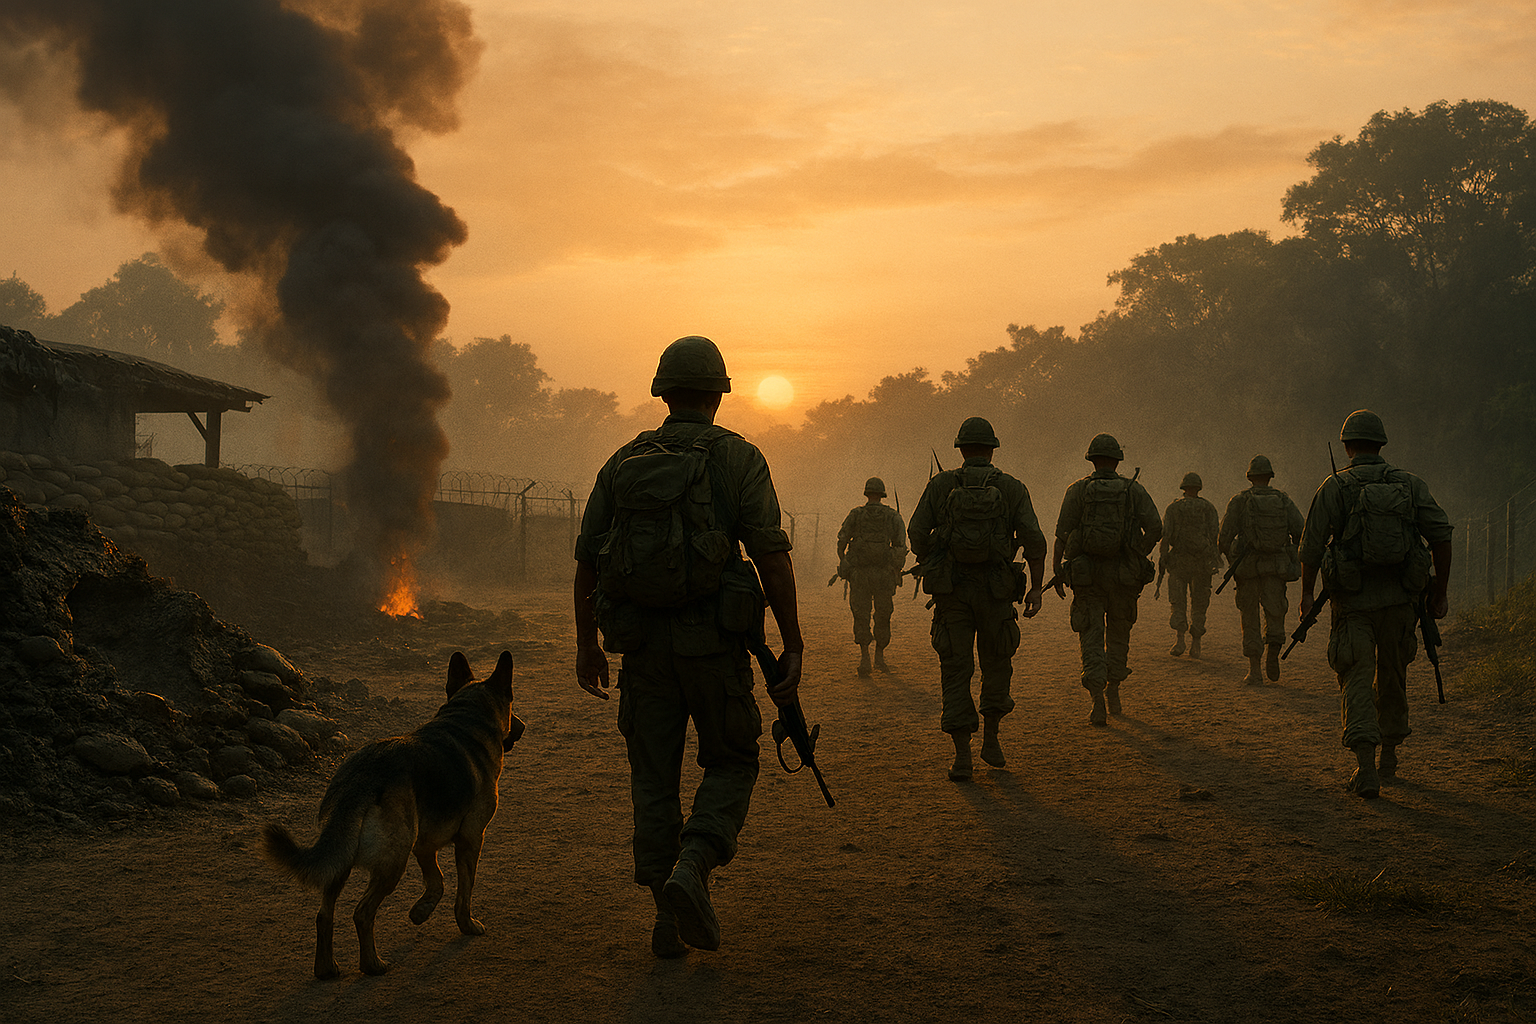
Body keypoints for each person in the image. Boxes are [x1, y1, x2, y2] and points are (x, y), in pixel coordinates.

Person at [573, 335, 804, 955]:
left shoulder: (623, 460)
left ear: (663, 393)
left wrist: (585, 646)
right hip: (713, 647)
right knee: (733, 759)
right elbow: (771, 557)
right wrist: (794, 645)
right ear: (718, 395)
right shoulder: (739, 458)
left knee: (653, 778)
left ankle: (664, 917)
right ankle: (693, 865)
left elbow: (587, 562)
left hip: (642, 648)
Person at [1298, 409, 1452, 799]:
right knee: (1394, 673)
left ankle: (1365, 767)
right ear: (1381, 445)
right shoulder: (1410, 485)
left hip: (1353, 603)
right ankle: (1390, 755)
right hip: (1402, 600)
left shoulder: (1334, 487)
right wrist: (1440, 592)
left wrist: (1305, 596)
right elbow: (1441, 536)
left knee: (1356, 675)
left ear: (1347, 446)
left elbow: (1312, 547)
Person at [907, 416, 1047, 780]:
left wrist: (934, 559)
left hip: (952, 592)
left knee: (955, 668)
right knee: (997, 664)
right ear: (992, 449)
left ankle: (961, 757)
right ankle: (993, 740)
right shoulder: (1012, 487)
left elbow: (916, 533)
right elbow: (1034, 539)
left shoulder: (940, 485)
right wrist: (1034, 587)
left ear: (961, 449)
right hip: (997, 592)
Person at [1051, 433, 1161, 725]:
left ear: (1092, 459)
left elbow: (1062, 533)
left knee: (1090, 634)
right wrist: (1137, 553)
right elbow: (1155, 528)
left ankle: (1097, 699)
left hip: (1088, 575)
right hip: (1124, 575)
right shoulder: (1133, 490)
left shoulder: (1077, 490)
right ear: (1116, 461)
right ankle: (1114, 689)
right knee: (1119, 635)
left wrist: (1056, 568)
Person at [1219, 456, 1305, 685]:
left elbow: (1223, 538)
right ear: (1269, 477)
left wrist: (1233, 561)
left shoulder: (1240, 501)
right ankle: (1273, 652)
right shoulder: (1283, 500)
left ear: (1250, 477)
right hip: (1276, 567)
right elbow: (1301, 531)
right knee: (1275, 611)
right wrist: (1291, 555)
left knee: (1249, 616)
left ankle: (1254, 669)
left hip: (1247, 568)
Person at [834, 476, 908, 676]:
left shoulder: (856, 515)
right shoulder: (893, 516)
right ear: (882, 494)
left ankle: (864, 658)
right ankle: (880, 657)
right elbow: (901, 545)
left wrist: (845, 562)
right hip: (884, 575)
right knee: (883, 614)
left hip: (860, 575)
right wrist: (895, 568)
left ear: (867, 493)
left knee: (861, 614)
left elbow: (842, 539)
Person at [1158, 472, 1219, 658]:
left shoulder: (1174, 508)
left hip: (1179, 561)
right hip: (1201, 562)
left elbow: (1166, 536)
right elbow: (1214, 535)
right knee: (1199, 603)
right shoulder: (1208, 507)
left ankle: (1180, 640)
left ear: (1183, 488)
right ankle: (1196, 643)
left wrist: (1163, 558)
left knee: (1178, 602)